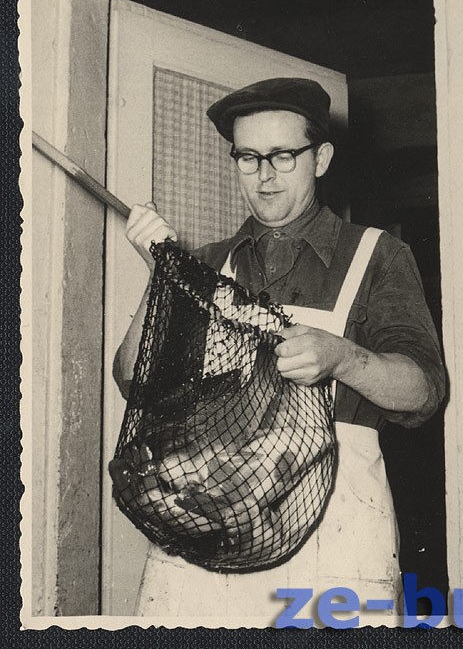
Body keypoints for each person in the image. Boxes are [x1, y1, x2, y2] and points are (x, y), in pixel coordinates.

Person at [113, 77, 445, 625]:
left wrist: (343, 358)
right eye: (248, 157)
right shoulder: (208, 262)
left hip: (335, 529)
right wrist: (162, 276)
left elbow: (425, 391)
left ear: (321, 158)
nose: (263, 176)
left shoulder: (379, 256)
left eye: (283, 156)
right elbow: (134, 381)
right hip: (207, 519)